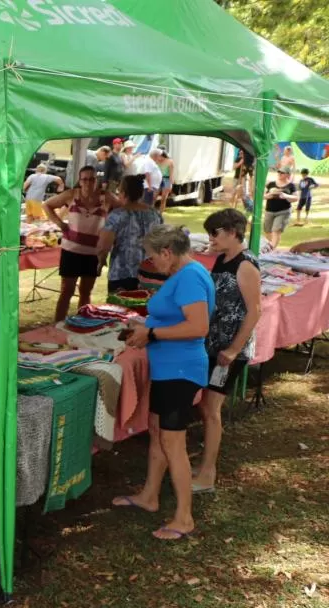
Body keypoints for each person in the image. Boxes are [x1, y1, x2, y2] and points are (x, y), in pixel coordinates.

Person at [112, 225, 215, 540]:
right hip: (168, 368)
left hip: (180, 371)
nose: (151, 262)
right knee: (157, 434)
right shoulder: (185, 275)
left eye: (153, 256)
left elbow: (198, 326)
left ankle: (184, 517)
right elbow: (176, 318)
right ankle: (150, 496)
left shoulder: (190, 277)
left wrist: (152, 333)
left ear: (168, 252)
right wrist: (144, 326)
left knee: (173, 443)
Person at [193, 209, 261, 494]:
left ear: (233, 232)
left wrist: (233, 350)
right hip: (214, 345)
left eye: (215, 233)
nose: (211, 239)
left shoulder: (246, 265)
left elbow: (255, 311)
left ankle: (208, 472)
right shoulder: (222, 258)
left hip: (229, 351)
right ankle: (205, 463)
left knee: (211, 409)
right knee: (206, 407)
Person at [44, 165, 117, 322]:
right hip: (71, 250)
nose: (88, 183)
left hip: (94, 253)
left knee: (85, 291)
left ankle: (83, 325)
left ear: (96, 180)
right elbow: (47, 205)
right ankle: (58, 325)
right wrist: (60, 224)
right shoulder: (72, 195)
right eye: (85, 179)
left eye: (92, 179)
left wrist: (111, 232)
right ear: (80, 180)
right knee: (66, 290)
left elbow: (123, 210)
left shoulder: (107, 197)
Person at [97, 175, 163, 292]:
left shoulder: (117, 215)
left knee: (120, 309)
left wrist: (100, 263)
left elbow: (104, 246)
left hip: (121, 274)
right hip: (149, 273)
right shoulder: (155, 214)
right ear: (141, 193)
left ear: (123, 193)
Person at [263, 167, 299, 248]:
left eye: (282, 173)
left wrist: (285, 196)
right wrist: (269, 195)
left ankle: (271, 249)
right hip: (269, 211)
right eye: (279, 172)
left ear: (287, 175)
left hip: (283, 212)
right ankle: (268, 248)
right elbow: (263, 196)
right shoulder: (271, 184)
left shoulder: (291, 185)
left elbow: (296, 198)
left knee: (276, 230)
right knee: (267, 231)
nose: (279, 174)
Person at [156, 145, 176, 214]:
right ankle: (151, 213)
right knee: (154, 197)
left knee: (163, 198)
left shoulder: (170, 161)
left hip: (166, 179)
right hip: (158, 179)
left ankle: (160, 214)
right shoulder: (155, 160)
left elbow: (171, 174)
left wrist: (170, 184)